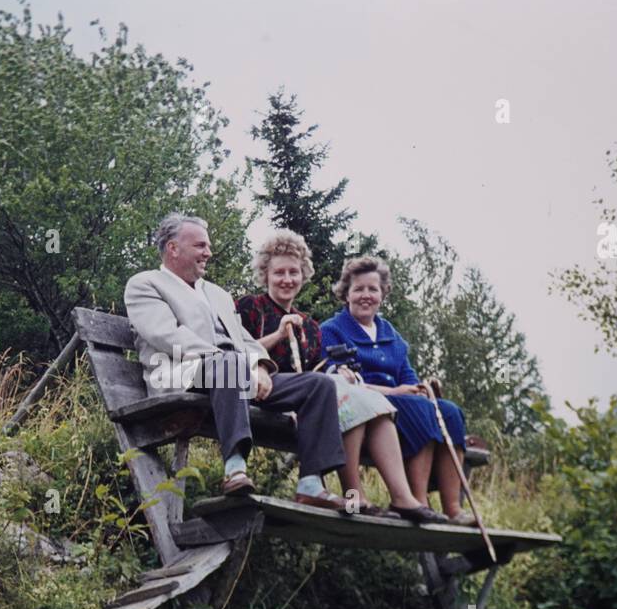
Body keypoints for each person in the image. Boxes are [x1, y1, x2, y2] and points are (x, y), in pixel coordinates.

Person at [124, 213, 350, 511]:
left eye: (208, 246)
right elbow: (168, 336)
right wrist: (237, 365)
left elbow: (243, 338)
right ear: (173, 248)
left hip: (232, 375)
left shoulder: (215, 293)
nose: (208, 253)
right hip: (181, 374)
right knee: (228, 364)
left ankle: (311, 482)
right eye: (201, 245)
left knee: (318, 385)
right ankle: (234, 467)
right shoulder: (145, 284)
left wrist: (258, 366)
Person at [235, 231, 447, 523]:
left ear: (303, 275)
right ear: (265, 274)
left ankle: (402, 499)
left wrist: (338, 373)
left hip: (305, 400)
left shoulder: (309, 326)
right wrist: (277, 334)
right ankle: (353, 497)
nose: (287, 279)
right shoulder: (250, 307)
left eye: (293, 272)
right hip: (259, 391)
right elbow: (234, 351)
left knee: (371, 403)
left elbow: (316, 372)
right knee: (351, 399)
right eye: (279, 272)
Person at [319, 256, 478, 526]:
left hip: (396, 406)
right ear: (346, 293)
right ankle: (415, 501)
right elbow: (337, 383)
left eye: (373, 289)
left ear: (383, 294)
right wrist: (397, 393)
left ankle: (453, 508)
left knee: (450, 412)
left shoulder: (392, 335)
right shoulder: (332, 330)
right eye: (358, 289)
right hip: (363, 405)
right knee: (420, 408)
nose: (365, 295)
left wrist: (420, 389)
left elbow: (408, 378)